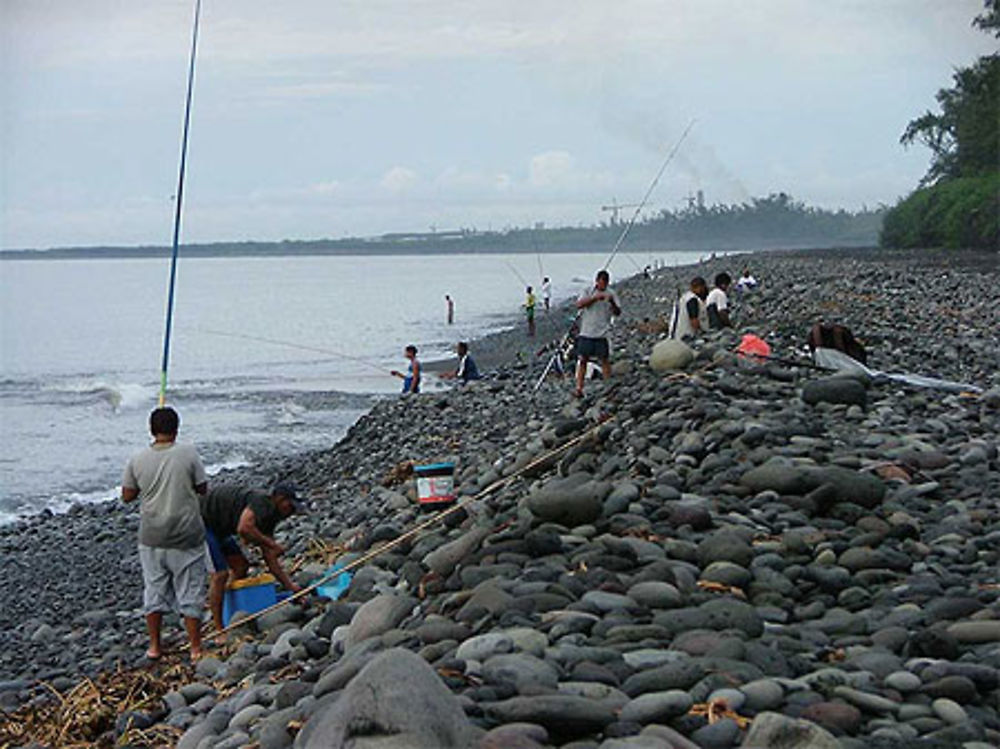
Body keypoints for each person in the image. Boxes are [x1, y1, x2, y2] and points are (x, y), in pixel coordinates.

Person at [121, 406, 208, 662]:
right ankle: (195, 648)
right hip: (186, 533)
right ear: (176, 428)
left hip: (152, 535)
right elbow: (203, 488)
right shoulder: (188, 453)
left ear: (151, 429)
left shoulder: (137, 458)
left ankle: (155, 647)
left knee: (155, 591)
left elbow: (127, 495)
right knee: (190, 591)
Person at [201, 482, 304, 634]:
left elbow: (269, 557)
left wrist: (291, 586)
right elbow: (244, 528)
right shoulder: (261, 502)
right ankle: (219, 629)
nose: (291, 512)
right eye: (290, 506)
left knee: (241, 567)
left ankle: (228, 607)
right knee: (220, 574)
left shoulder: (272, 516)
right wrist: (272, 544)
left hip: (220, 528)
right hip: (201, 523)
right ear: (279, 499)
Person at [574, 269, 622, 397]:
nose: (603, 286)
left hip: (602, 333)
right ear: (597, 281)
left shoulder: (611, 293)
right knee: (583, 360)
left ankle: (608, 387)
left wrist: (611, 301)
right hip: (587, 332)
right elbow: (579, 304)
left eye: (605, 284)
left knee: (604, 359)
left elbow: (618, 312)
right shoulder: (588, 291)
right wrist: (594, 298)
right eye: (601, 283)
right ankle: (579, 388)